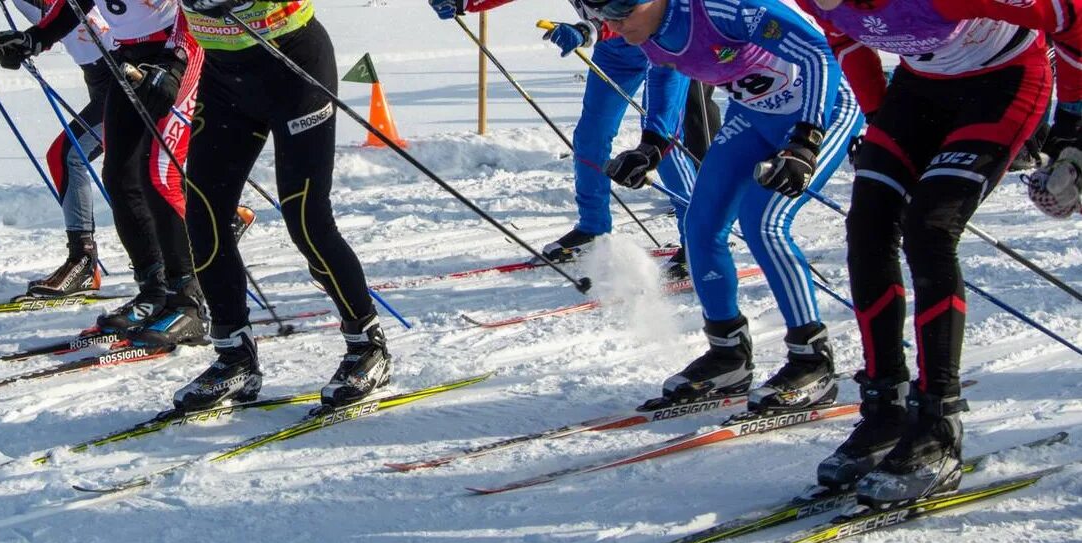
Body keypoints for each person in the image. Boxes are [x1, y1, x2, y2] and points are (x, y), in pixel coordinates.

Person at [795, 0, 1080, 507]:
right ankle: (886, 410)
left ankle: (938, 423)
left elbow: (1073, 19)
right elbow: (844, 36)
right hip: (917, 90)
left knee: (929, 228)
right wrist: (878, 111)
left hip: (1005, 83)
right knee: (868, 223)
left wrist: (1071, 132)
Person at [583, 0, 861, 413]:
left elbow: (817, 53)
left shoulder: (723, 9)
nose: (613, 23)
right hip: (753, 116)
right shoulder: (648, 31)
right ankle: (728, 354)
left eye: (623, 9)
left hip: (822, 112)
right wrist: (652, 147)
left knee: (764, 222)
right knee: (701, 225)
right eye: (601, 13)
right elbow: (667, 80)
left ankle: (811, 358)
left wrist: (805, 139)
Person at [168, 0, 390, 409]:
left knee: (306, 217)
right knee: (203, 214)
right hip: (224, 75)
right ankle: (234, 355)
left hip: (292, 61)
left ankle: (366, 344)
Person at [429, 0, 709, 278]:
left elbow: (637, 9)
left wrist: (589, 30)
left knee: (661, 141)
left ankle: (699, 241)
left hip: (662, 39)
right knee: (590, 136)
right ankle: (593, 228)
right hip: (615, 50)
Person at [0, 0, 207, 345]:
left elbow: (192, 10)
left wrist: (176, 63)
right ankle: (154, 291)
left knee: (158, 176)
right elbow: (74, 5)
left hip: (178, 52)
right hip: (128, 58)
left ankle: (189, 302)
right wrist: (34, 39)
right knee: (120, 177)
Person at [0, 0, 114, 297]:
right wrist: (23, 42)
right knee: (134, 162)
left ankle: (83, 262)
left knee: (68, 155)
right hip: (100, 74)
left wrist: (32, 40)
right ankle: (212, 222)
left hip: (131, 70)